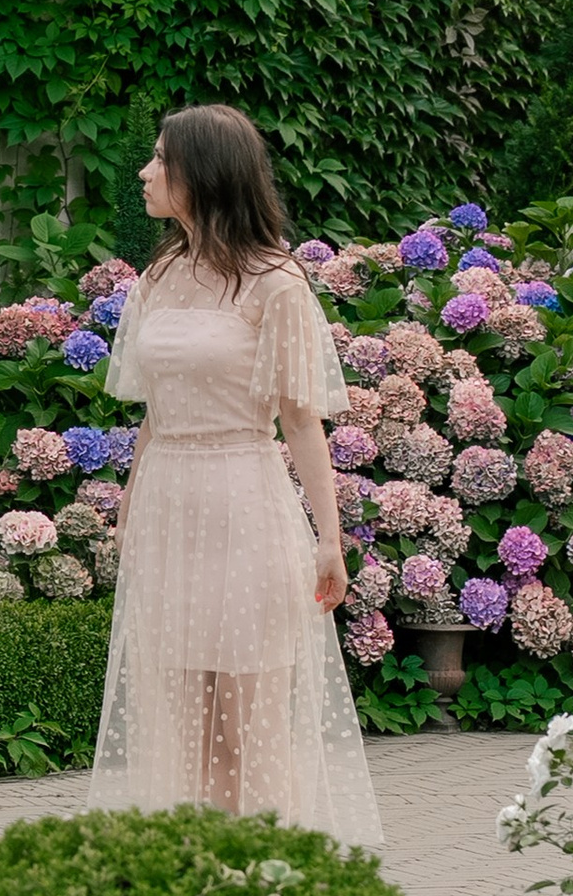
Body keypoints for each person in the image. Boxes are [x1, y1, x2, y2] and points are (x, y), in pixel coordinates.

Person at [89, 103, 383, 850]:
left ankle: (263, 867)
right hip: (169, 509)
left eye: (161, 159)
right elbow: (155, 412)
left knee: (247, 722)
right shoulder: (158, 276)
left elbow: (301, 421)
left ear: (205, 173)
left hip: (244, 504)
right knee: (177, 717)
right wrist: (129, 507)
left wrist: (329, 540)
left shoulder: (275, 283)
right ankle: (194, 868)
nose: (145, 172)